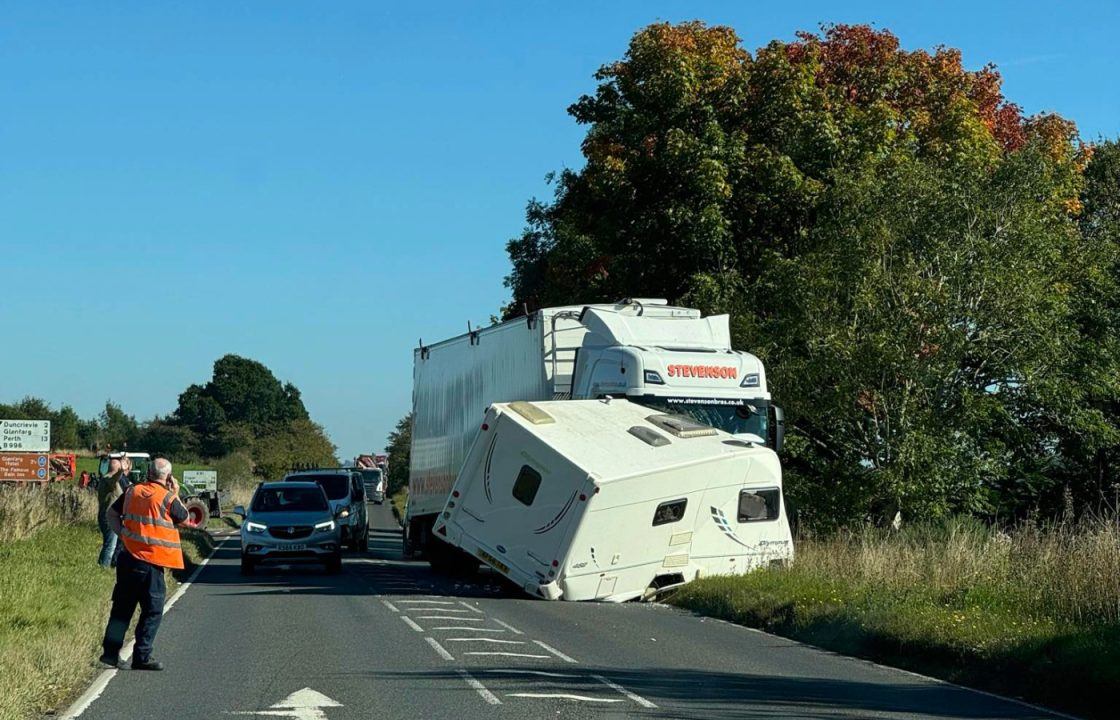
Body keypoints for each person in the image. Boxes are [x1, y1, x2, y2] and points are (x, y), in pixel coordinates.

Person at [99, 457, 189, 671]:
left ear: (148, 473)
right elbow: (184, 518)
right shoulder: (167, 498)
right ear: (167, 476)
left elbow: (111, 513)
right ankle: (142, 656)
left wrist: (122, 534)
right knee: (153, 610)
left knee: (122, 608)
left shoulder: (132, 491)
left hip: (128, 558)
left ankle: (110, 654)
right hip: (151, 562)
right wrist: (175, 491)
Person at [96, 457, 131, 567]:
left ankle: (104, 564)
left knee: (109, 543)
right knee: (110, 545)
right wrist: (121, 470)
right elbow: (115, 479)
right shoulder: (109, 480)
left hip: (105, 515)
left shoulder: (105, 479)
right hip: (108, 516)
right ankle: (104, 566)